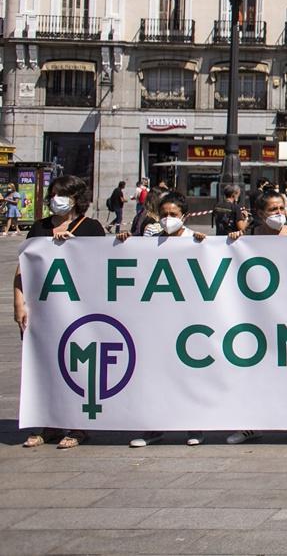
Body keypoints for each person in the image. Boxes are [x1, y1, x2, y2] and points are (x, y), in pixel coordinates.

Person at [15, 176, 106, 450]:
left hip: (81, 310)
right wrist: (18, 302)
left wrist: (73, 246)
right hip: (44, 310)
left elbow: (100, 265)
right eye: (54, 194)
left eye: (63, 194)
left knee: (77, 366)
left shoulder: (91, 228)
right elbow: (23, 268)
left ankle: (78, 425)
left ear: (77, 198)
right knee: (44, 364)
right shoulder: (39, 228)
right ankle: (49, 423)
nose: (57, 199)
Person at [226, 189, 287, 446]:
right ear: (260, 214)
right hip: (256, 315)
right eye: (272, 210)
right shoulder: (249, 238)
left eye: (281, 209)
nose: (278, 214)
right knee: (254, 370)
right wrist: (234, 240)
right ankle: (250, 425)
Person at [128, 193, 206, 448]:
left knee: (189, 375)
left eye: (173, 214)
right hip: (158, 320)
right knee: (155, 374)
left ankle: (193, 425)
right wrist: (124, 243)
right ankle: (153, 427)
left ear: (184, 215)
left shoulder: (196, 240)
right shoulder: (151, 241)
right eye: (164, 214)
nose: (168, 219)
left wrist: (206, 246)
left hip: (189, 320)